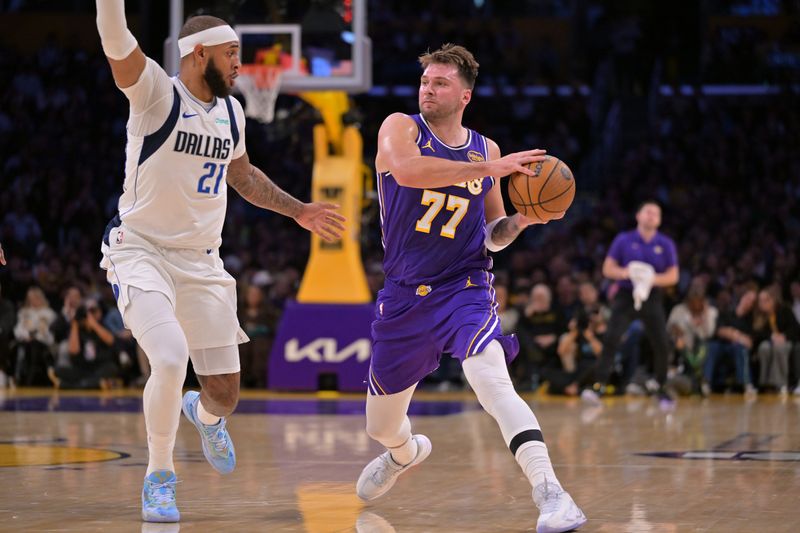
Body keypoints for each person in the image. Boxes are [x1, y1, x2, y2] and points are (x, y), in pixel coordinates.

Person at [95, 2, 345, 522]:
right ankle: (159, 476)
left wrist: (298, 211)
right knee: (167, 358)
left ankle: (205, 418)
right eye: (232, 54)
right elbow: (115, 36)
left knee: (225, 395)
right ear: (198, 53)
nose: (240, 65)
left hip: (203, 263)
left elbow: (244, 177)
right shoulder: (156, 94)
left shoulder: (232, 112)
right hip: (140, 250)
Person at [357, 44, 586, 533]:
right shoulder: (400, 127)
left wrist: (525, 218)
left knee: (490, 378)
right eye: (425, 82)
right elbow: (408, 171)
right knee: (380, 426)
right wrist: (488, 172)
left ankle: (552, 493)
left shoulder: (488, 150)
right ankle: (406, 453)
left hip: (464, 285)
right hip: (402, 295)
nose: (428, 90)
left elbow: (492, 234)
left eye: (439, 84)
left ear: (463, 95)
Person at [582, 200, 679, 409]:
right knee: (611, 338)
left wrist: (650, 279)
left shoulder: (665, 244)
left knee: (662, 342)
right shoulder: (624, 240)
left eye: (656, 213)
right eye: (648, 211)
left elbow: (673, 275)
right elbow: (608, 268)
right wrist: (626, 273)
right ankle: (599, 386)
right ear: (638, 215)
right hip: (626, 294)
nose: (652, 215)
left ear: (660, 220)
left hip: (651, 295)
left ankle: (660, 386)